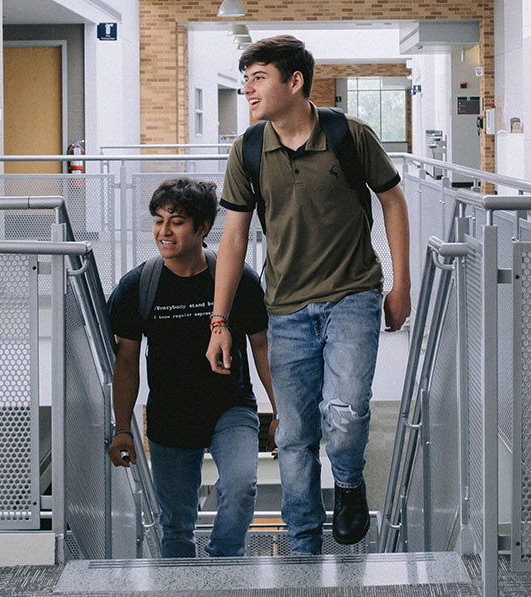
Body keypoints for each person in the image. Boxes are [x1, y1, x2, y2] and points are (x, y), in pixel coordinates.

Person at [207, 35, 412, 554]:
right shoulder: (249, 149)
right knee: (294, 436)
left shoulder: (349, 135)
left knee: (345, 414)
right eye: (245, 78)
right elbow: (232, 238)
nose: (248, 89)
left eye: (259, 78)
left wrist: (401, 283)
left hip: (352, 295)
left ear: (294, 82)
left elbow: (393, 201)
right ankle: (302, 544)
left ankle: (347, 481)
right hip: (286, 308)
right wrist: (219, 321)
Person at [108, 178, 275, 558]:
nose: (163, 231)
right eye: (157, 220)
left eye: (176, 221)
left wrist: (281, 409)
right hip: (170, 416)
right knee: (177, 527)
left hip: (230, 407)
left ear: (202, 228)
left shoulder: (236, 281)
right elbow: (127, 360)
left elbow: (262, 345)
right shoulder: (138, 286)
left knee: (241, 486)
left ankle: (223, 564)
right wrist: (121, 427)